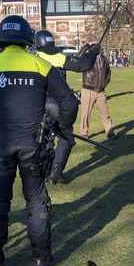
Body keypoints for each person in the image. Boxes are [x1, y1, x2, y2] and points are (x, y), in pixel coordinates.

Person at [0, 15, 79, 266]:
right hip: (32, 145)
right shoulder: (40, 65)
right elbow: (70, 103)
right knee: (36, 200)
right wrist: (59, 125)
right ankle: (41, 258)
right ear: (27, 40)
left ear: (1, 40)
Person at [34, 29, 99, 184]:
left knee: (45, 138)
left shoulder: (33, 58)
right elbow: (84, 65)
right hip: (59, 104)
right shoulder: (58, 57)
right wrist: (94, 52)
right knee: (66, 136)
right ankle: (55, 172)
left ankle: (45, 172)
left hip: (39, 105)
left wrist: (83, 51)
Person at [79, 44, 117, 141]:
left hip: (100, 91)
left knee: (105, 112)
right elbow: (77, 58)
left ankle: (110, 132)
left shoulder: (104, 59)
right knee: (86, 113)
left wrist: (105, 82)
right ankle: (83, 133)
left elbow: (108, 71)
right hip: (88, 89)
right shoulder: (87, 58)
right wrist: (85, 48)